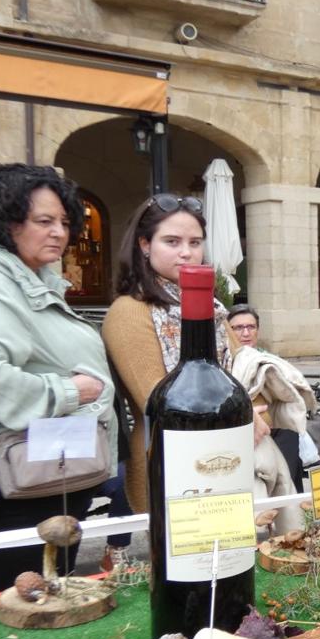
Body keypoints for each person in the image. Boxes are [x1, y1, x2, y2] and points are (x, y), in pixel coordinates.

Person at [0, 164, 117, 592]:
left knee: (54, 595)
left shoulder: (28, 278)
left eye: (63, 221)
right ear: (7, 222)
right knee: (26, 601)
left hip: (50, 467)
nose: (59, 232)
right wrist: (67, 391)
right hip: (21, 474)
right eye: (44, 221)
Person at [103, 194, 281, 516]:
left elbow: (250, 378)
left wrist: (251, 412)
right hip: (172, 463)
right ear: (145, 244)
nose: (187, 252)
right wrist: (243, 414)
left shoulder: (210, 308)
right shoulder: (129, 312)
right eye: (172, 241)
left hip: (233, 459)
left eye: (195, 242)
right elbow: (158, 400)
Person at [227, 303, 319, 493]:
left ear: (258, 331)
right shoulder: (224, 361)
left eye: (251, 327)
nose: (245, 333)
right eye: (238, 328)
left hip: (279, 429)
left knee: (288, 481)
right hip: (246, 435)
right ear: (228, 331)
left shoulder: (272, 361)